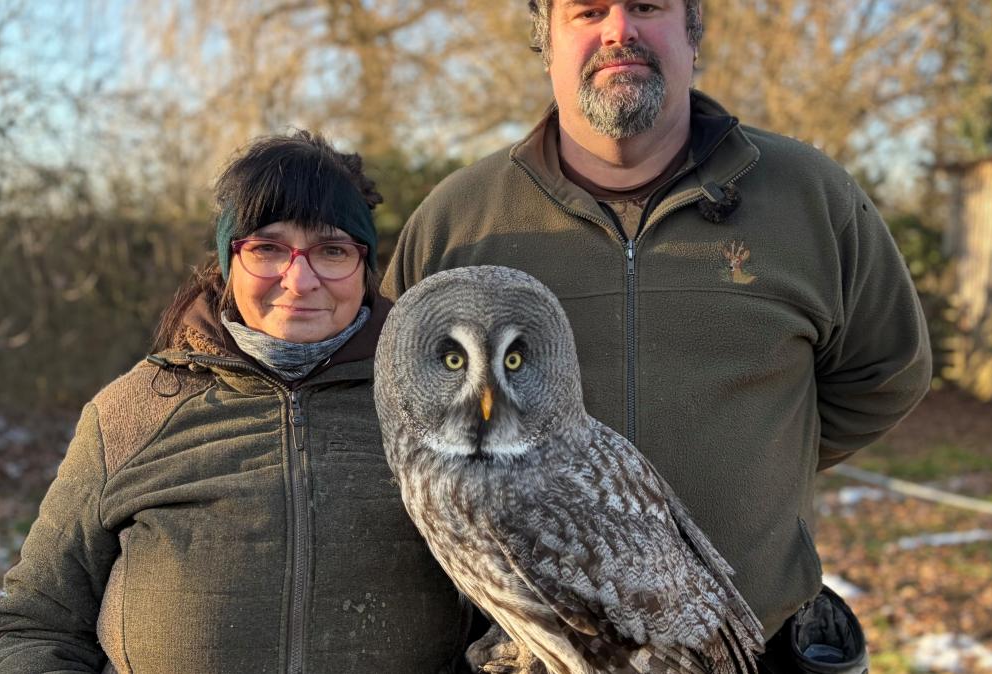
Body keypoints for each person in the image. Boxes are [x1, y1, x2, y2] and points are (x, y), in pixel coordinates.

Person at [382, 1, 932, 670]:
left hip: (744, 647)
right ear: (547, 43)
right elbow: (400, 404)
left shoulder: (810, 197)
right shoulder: (459, 219)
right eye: (587, 11)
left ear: (692, 35)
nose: (619, 31)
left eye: (646, 6)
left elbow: (886, 375)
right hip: (541, 650)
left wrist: (764, 461)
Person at [0, 130, 470, 673]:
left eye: (332, 250)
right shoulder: (130, 413)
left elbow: (509, 628)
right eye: (267, 248)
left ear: (364, 268)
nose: (299, 279)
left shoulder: (443, 412)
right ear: (229, 261)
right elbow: (36, 624)